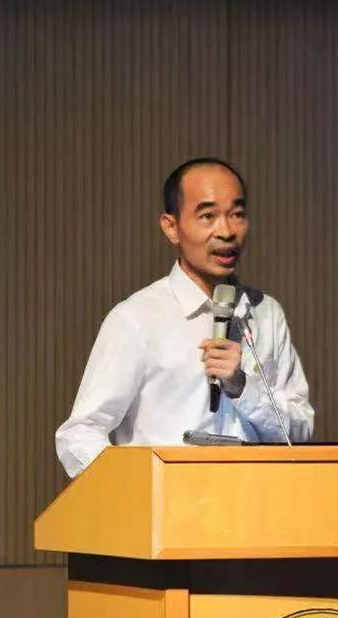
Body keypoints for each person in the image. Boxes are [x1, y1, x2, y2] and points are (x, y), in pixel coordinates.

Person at [55, 157, 314, 478]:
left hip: (256, 503)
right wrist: (135, 491)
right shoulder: (137, 319)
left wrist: (243, 387)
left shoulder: (266, 313)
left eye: (237, 214)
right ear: (171, 227)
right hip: (169, 504)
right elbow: (79, 434)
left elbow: (299, 434)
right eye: (208, 216)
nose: (227, 231)